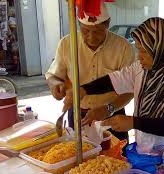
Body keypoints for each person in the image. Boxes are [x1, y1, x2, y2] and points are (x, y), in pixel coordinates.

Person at [65, 17, 164, 157]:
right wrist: (84, 89)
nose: (139, 56)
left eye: (144, 51)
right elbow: (114, 80)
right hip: (148, 153)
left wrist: (133, 122)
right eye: (138, 50)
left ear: (160, 50)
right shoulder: (142, 69)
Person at [46, 1, 134, 141]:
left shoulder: (123, 47)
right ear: (79, 26)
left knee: (116, 159)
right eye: (85, 31)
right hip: (77, 113)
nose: (91, 37)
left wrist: (108, 108)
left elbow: (130, 89)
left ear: (107, 24)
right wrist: (56, 85)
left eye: (98, 32)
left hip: (112, 113)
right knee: (82, 159)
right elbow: (53, 75)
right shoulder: (67, 44)